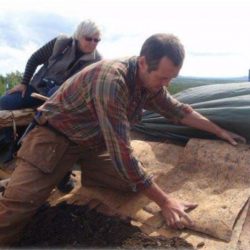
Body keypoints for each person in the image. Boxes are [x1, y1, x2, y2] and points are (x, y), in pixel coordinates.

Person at [0, 33, 245, 246]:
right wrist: (166, 201)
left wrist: (218, 131)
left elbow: (178, 110)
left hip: (91, 143)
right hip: (55, 139)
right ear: (142, 63)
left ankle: (62, 176)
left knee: (131, 184)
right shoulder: (112, 82)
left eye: (171, 78)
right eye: (163, 78)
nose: (166, 85)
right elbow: (122, 154)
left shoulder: (148, 83)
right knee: (16, 210)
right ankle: (31, 183)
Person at [0, 19, 102, 192]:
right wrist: (24, 83)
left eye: (96, 40)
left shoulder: (96, 61)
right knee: (4, 104)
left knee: (60, 130)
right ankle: (6, 146)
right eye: (88, 38)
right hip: (35, 89)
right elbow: (35, 59)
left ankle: (62, 175)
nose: (92, 43)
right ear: (78, 36)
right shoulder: (60, 43)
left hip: (62, 102)